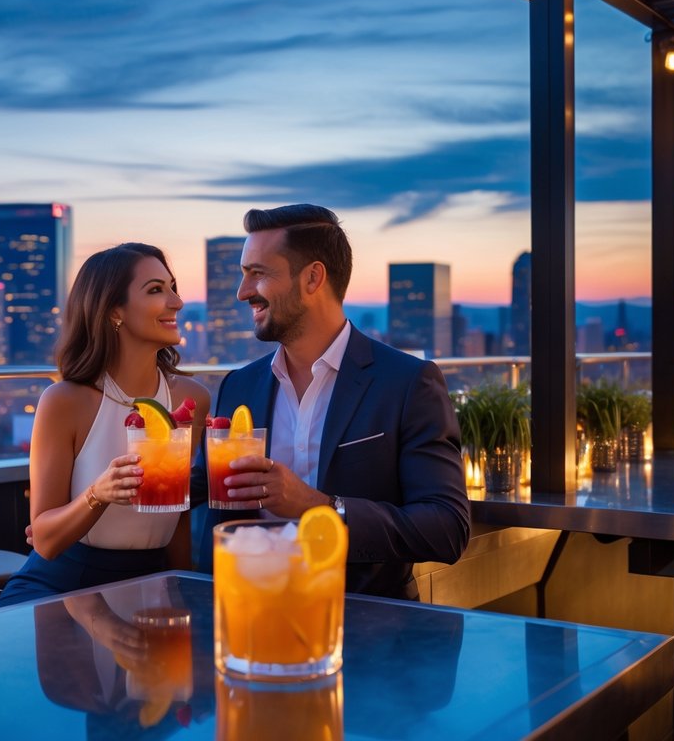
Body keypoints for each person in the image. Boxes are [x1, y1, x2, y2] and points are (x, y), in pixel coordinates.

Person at [193, 204, 470, 600]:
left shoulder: (407, 383)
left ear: (312, 278)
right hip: (251, 616)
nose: (242, 292)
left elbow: (446, 528)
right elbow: (209, 495)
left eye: (258, 274)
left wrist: (319, 507)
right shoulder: (239, 386)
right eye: (243, 274)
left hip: (368, 629)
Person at [0, 243, 210, 606]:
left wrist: (183, 587)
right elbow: (45, 539)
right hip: (61, 588)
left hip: (152, 584)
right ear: (115, 310)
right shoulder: (65, 401)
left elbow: (176, 514)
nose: (176, 301)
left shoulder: (193, 399)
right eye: (156, 290)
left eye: (173, 288)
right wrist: (100, 493)